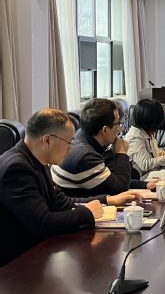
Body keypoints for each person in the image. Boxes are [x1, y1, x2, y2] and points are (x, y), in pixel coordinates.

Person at [0, 109, 140, 266]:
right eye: (69, 142)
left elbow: (62, 202)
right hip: (17, 264)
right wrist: (87, 213)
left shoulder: (37, 159)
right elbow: (43, 223)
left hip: (39, 252)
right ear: (47, 140)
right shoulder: (17, 169)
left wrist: (108, 200)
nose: (70, 148)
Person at [51, 98, 154, 197]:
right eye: (118, 124)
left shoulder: (84, 138)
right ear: (105, 130)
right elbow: (120, 189)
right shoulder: (85, 156)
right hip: (76, 206)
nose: (120, 129)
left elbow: (108, 180)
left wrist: (145, 185)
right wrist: (121, 153)